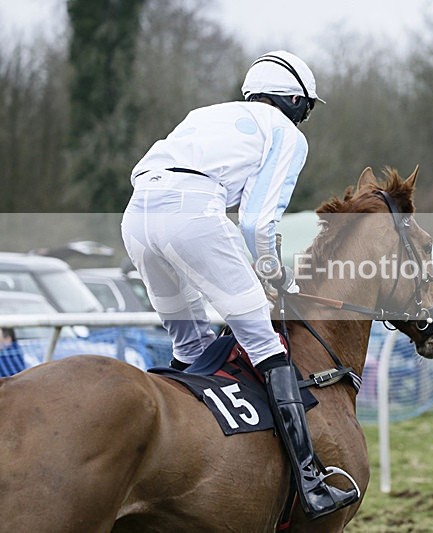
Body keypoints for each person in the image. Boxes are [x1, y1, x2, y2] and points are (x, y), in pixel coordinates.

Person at [120, 50, 357, 519]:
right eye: (306, 109)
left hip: (137, 214)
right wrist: (269, 270)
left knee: (189, 346)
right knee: (265, 343)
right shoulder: (285, 133)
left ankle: (184, 457)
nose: (304, 120)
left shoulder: (206, 115)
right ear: (293, 102)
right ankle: (310, 479)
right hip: (191, 211)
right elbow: (256, 221)